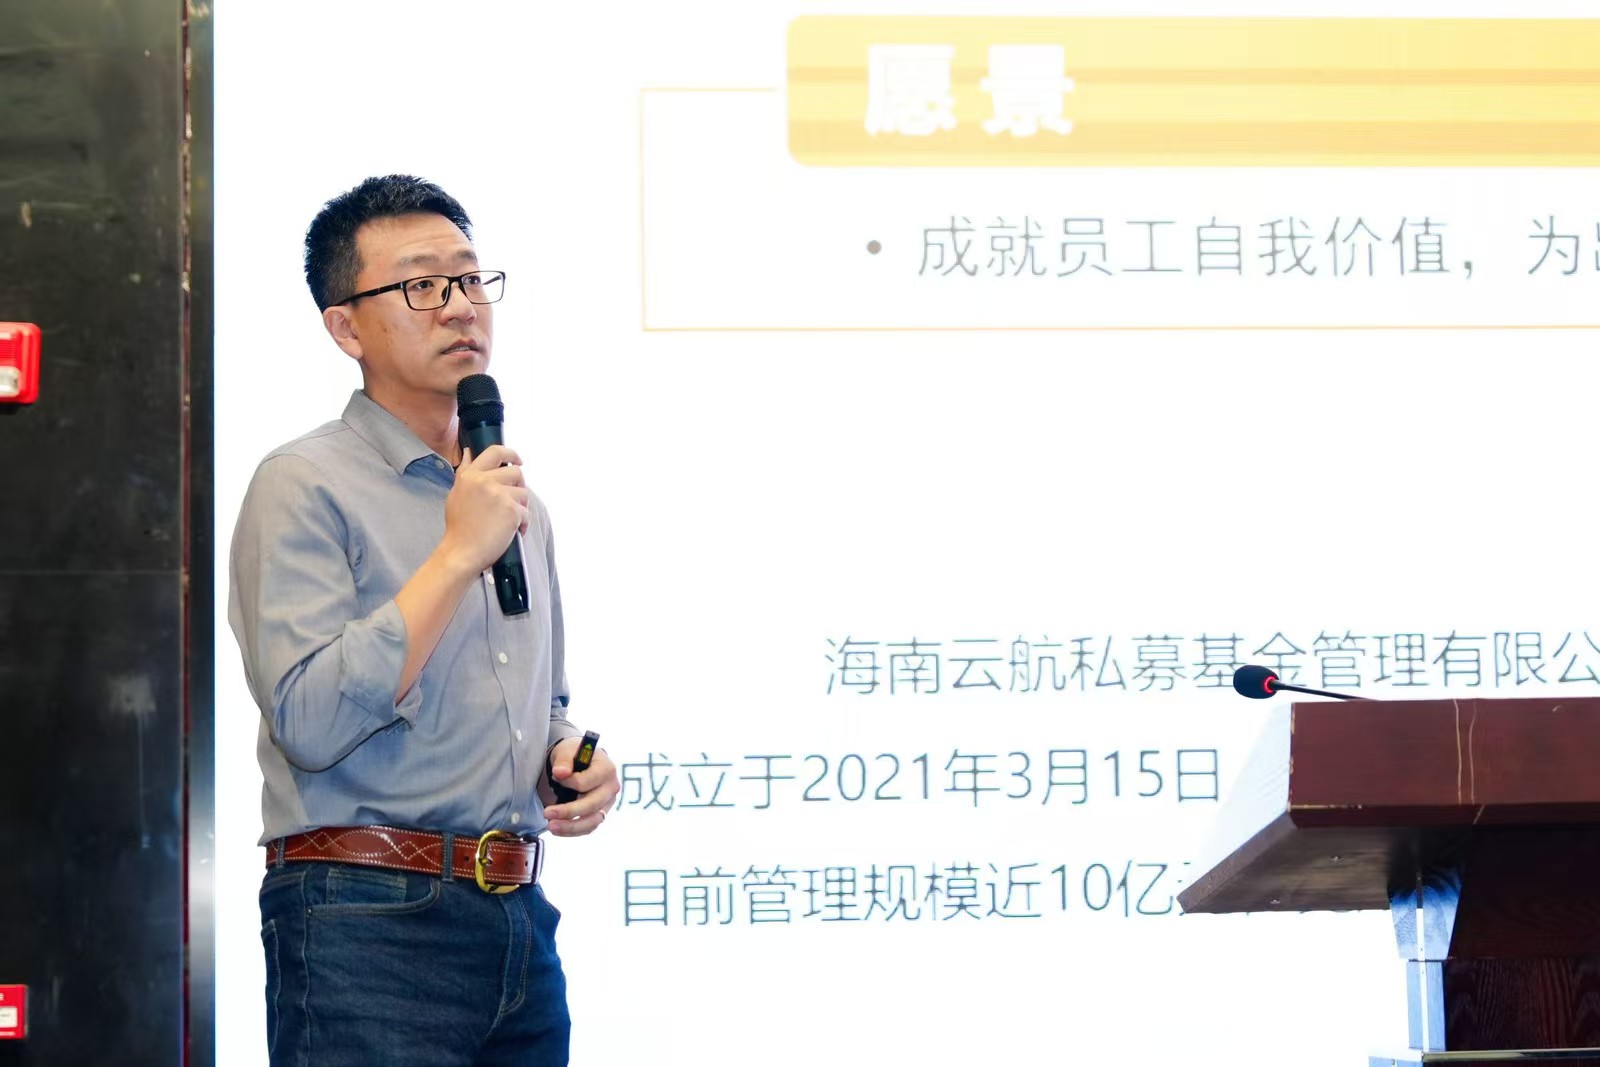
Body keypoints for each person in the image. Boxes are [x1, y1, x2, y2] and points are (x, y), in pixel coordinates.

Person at [228, 174, 618, 1067]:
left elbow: (542, 703)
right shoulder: (302, 484)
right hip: (365, 919)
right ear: (346, 327)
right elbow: (309, 719)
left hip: (518, 920)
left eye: (471, 279)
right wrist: (453, 554)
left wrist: (566, 759)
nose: (460, 306)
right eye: (422, 284)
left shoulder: (515, 501)